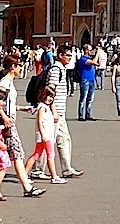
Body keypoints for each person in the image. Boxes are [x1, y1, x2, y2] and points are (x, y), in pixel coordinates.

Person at [0, 56, 45, 197]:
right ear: (12, 67)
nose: (20, 68)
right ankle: (27, 187)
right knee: (16, 154)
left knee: (3, 156)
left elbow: (9, 104)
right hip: (7, 124)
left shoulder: (9, 83)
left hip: (9, 122)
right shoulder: (5, 83)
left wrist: (22, 108)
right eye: (19, 65)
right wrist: (4, 116)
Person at [34, 46, 83, 180]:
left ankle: (67, 169)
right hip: (54, 113)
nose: (70, 58)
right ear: (60, 55)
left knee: (64, 139)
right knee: (48, 141)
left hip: (60, 112)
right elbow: (50, 91)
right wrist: (53, 110)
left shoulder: (61, 69)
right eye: (67, 55)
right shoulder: (56, 69)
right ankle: (37, 169)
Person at [24, 87, 59, 181]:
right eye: (49, 96)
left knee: (36, 154)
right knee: (50, 155)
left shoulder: (45, 107)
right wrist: (43, 135)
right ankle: (54, 176)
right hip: (46, 135)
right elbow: (39, 122)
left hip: (46, 135)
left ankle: (24, 175)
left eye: (52, 97)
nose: (50, 99)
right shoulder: (42, 108)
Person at [76, 45, 97, 121]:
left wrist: (99, 54)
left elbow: (98, 63)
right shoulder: (83, 59)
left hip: (92, 79)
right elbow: (94, 62)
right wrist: (98, 53)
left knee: (90, 98)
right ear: (86, 50)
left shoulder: (89, 58)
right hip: (85, 80)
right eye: (90, 50)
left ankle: (88, 114)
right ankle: (81, 115)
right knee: (83, 98)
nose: (92, 51)